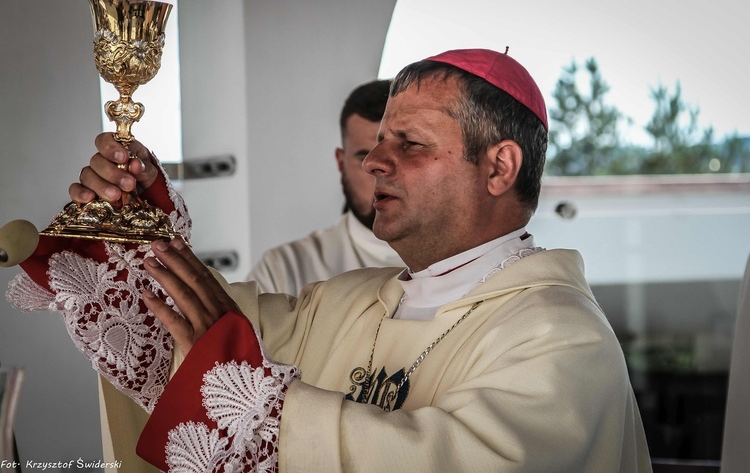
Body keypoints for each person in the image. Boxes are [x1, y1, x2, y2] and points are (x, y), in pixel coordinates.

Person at [8, 48, 651, 471]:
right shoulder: (346, 300)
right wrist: (130, 232)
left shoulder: (561, 338)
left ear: (499, 166)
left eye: (410, 143)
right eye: (376, 142)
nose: (374, 162)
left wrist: (257, 401)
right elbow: (172, 344)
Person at [248, 79, 404, 294]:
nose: (380, 170)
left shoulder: (462, 260)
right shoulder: (284, 272)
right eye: (364, 156)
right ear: (341, 163)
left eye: (402, 153)